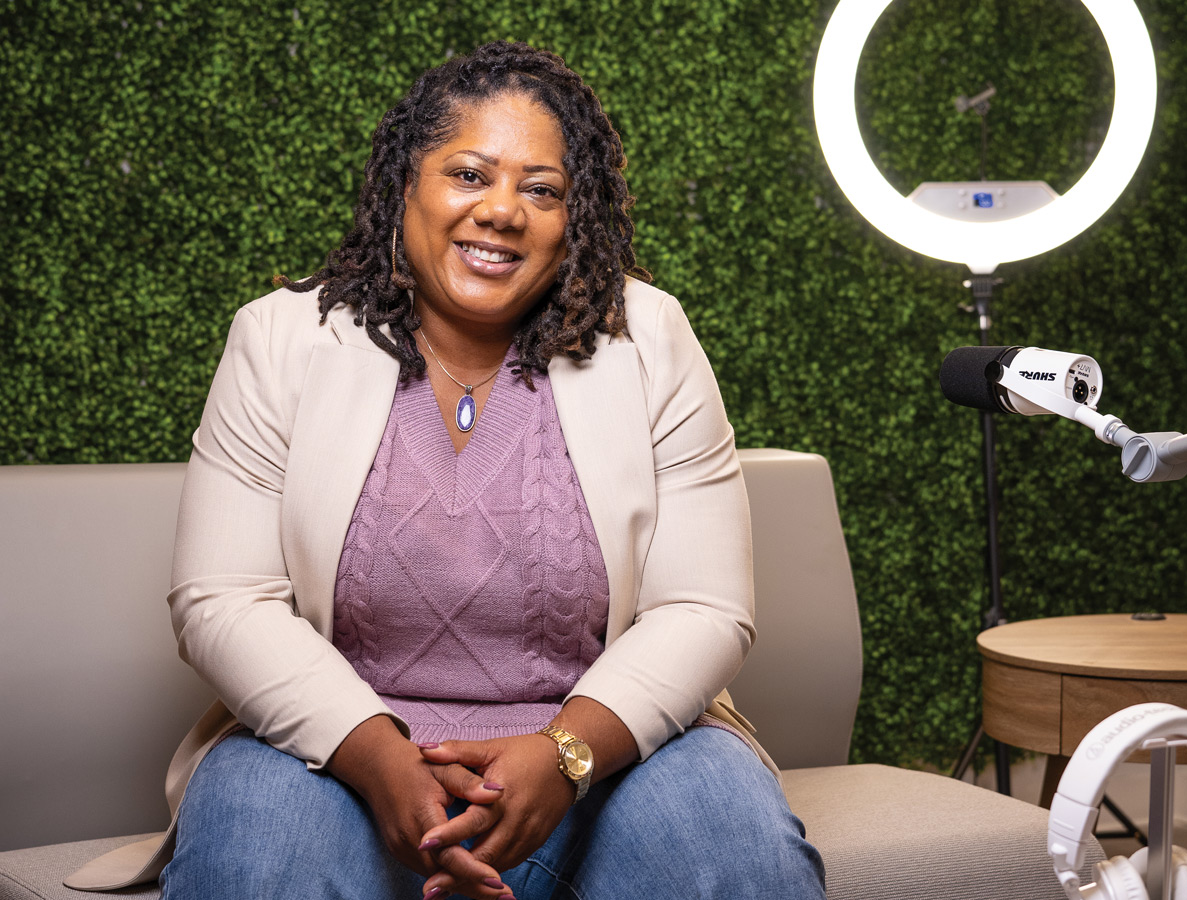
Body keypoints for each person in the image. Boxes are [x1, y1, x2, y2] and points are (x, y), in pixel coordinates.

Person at [63, 41, 826, 900]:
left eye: (542, 190)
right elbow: (222, 598)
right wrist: (377, 756)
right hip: (332, 756)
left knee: (741, 862)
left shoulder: (647, 339)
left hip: (603, 757)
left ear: (575, 217)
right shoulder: (280, 338)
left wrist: (564, 754)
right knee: (258, 865)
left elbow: (703, 607)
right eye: (469, 174)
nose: (501, 211)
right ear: (406, 186)